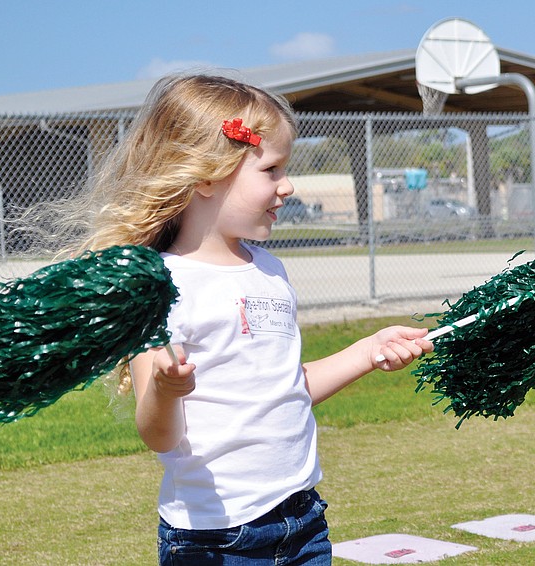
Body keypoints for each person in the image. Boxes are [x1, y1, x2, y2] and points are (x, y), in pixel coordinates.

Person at [73, 73, 433, 565]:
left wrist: (369, 350)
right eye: (271, 170)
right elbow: (159, 434)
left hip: (304, 520)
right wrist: (163, 389)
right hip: (215, 540)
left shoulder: (270, 270)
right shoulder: (156, 286)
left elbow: (285, 387)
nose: (287, 186)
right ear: (204, 175)